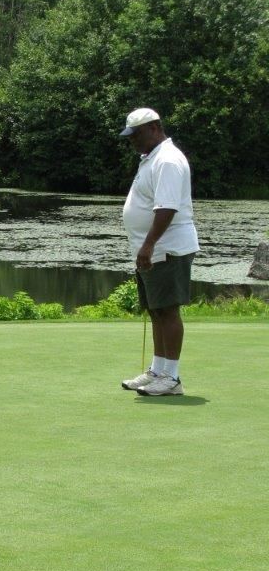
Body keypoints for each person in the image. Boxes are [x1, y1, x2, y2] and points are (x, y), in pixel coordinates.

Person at [118, 108, 199, 396]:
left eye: (136, 134)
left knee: (167, 310)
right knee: (156, 310)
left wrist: (149, 244)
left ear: (154, 128)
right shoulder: (151, 158)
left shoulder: (167, 160)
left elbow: (167, 207)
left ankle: (172, 378)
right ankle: (157, 371)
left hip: (166, 247)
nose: (133, 141)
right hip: (152, 249)